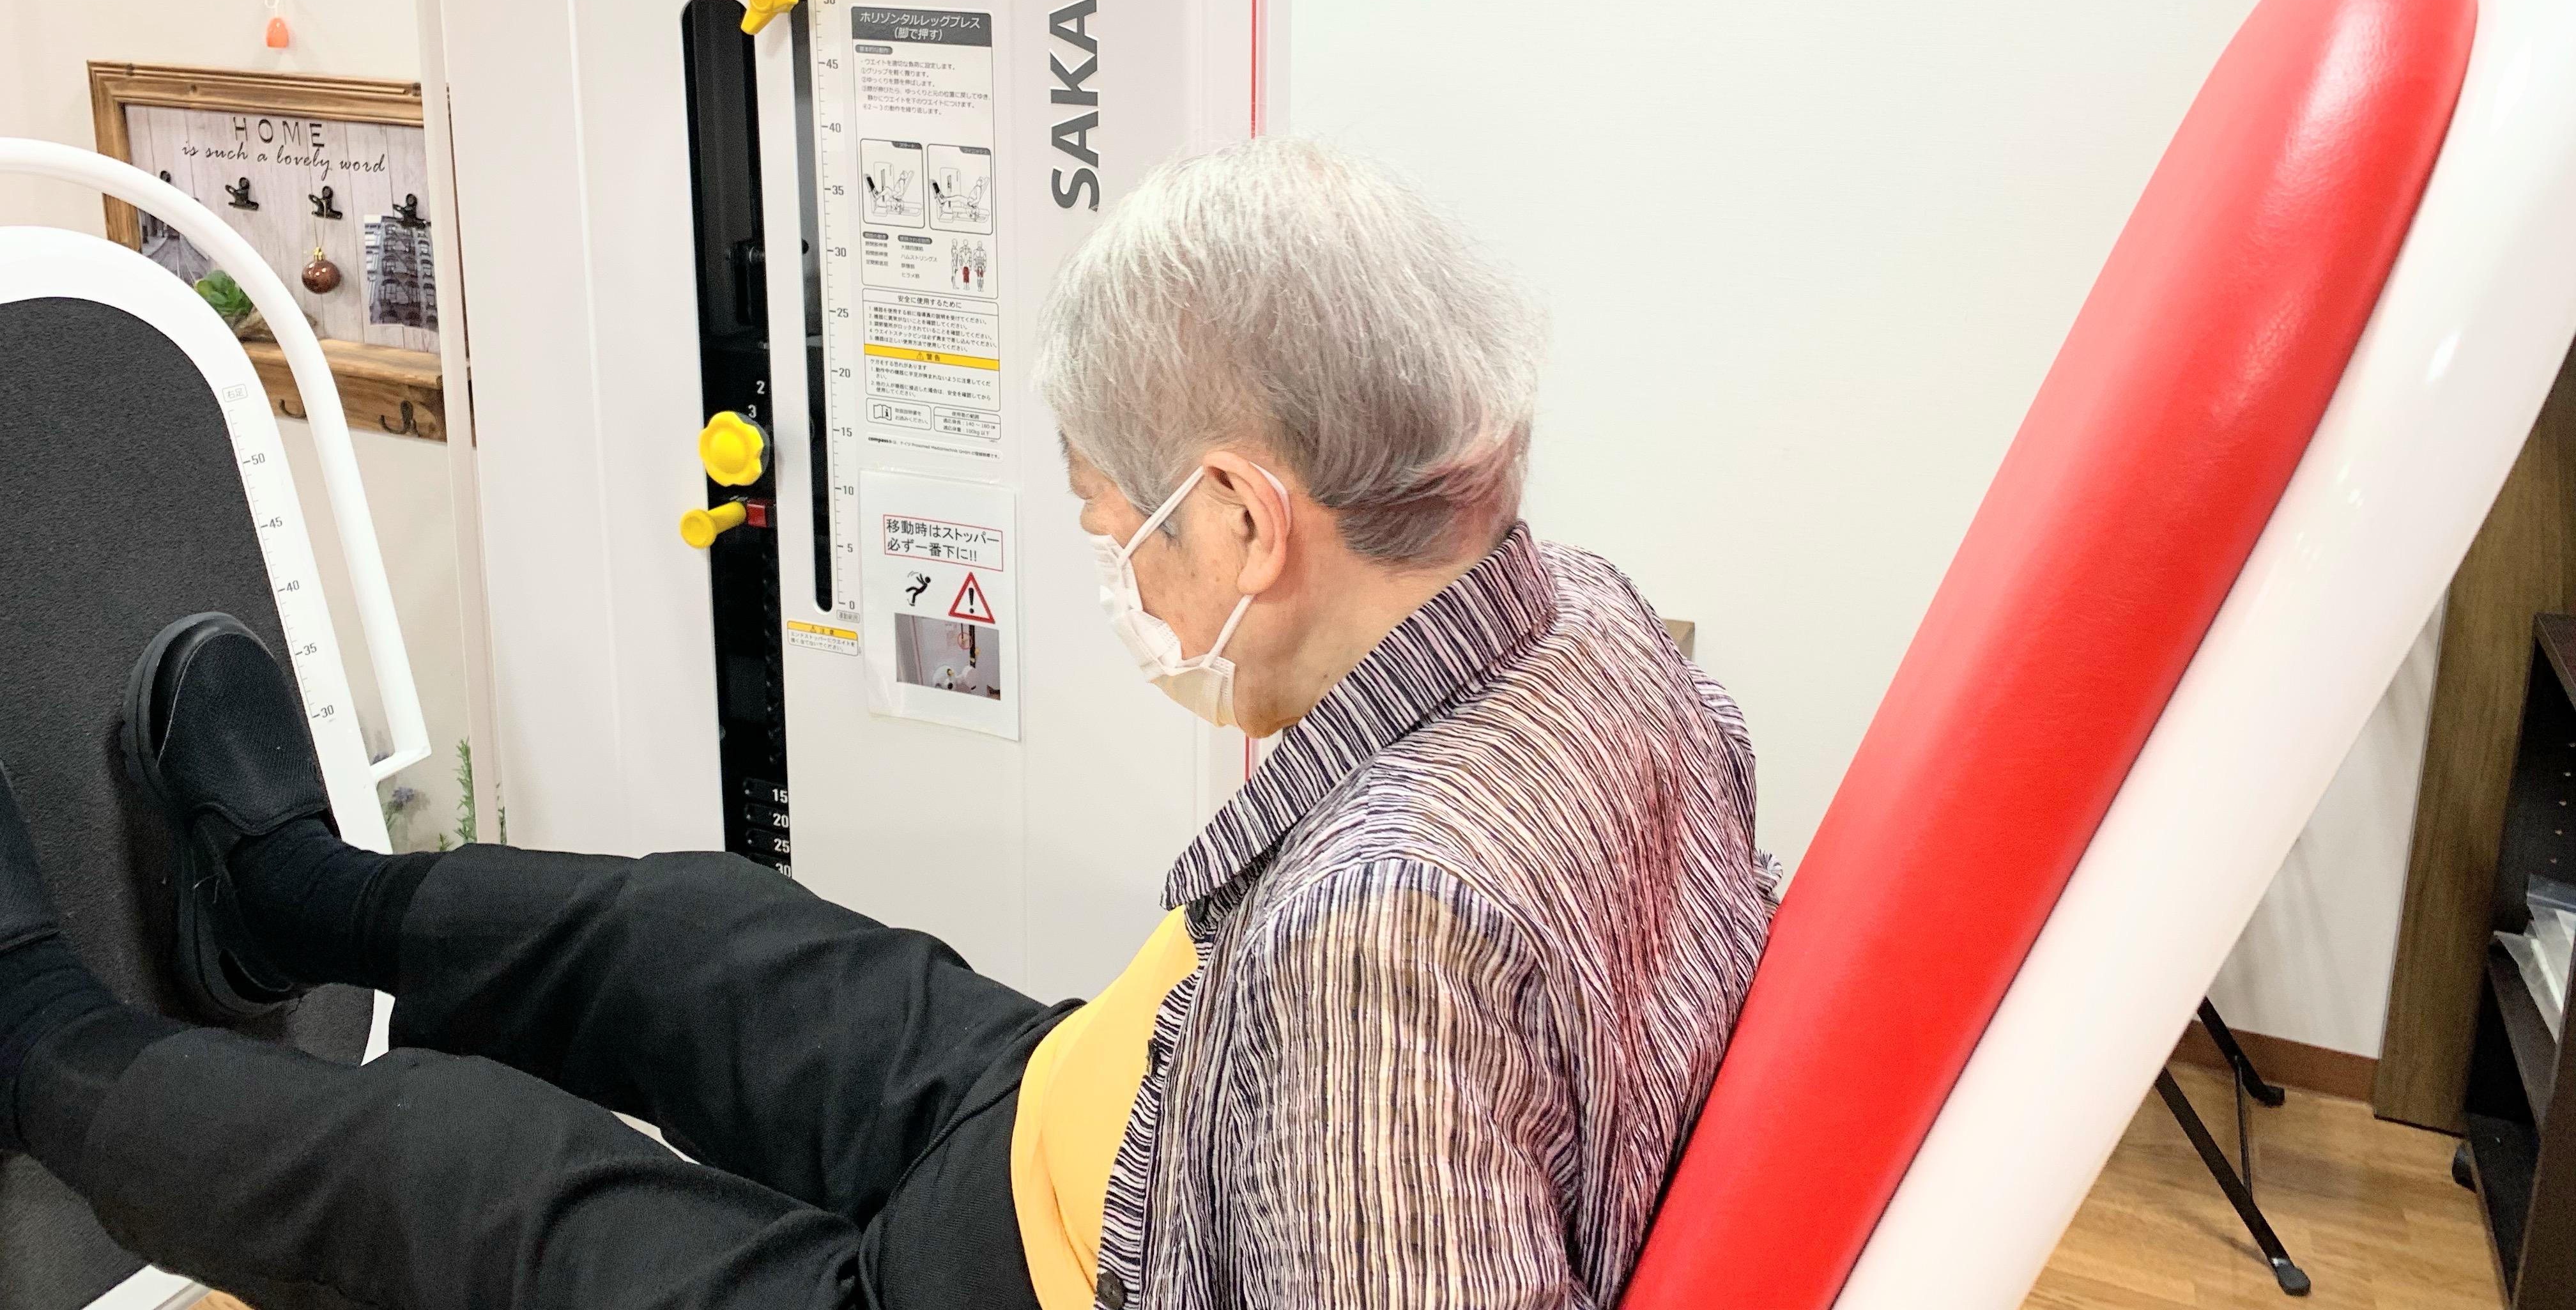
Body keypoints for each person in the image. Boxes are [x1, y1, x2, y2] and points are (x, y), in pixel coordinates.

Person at [0, 137, 1772, 1310]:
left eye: (1118, 532)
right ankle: (290, 898)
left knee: (459, 1180)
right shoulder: (1592, 625)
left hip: (1023, 1274)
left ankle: (34, 1039)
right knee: (696, 937)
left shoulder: (1382, 942)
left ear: (1243, 519)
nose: (1130, 585)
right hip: (1115, 1116)